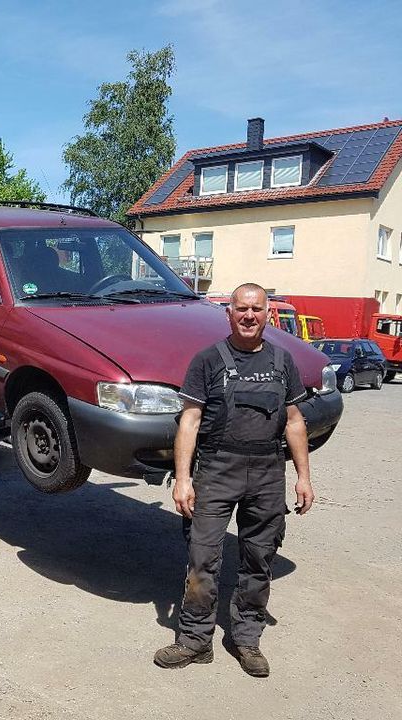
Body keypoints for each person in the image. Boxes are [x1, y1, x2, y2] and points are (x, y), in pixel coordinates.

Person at [154, 283, 314, 678]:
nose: (249, 316)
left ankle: (246, 639)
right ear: (229, 313)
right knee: (202, 557)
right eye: (241, 308)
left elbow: (294, 421)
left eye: (256, 309)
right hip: (217, 469)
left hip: (266, 473)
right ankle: (194, 640)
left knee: (259, 560)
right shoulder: (208, 360)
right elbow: (189, 421)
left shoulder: (282, 360)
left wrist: (303, 477)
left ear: (267, 313)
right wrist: (184, 479)